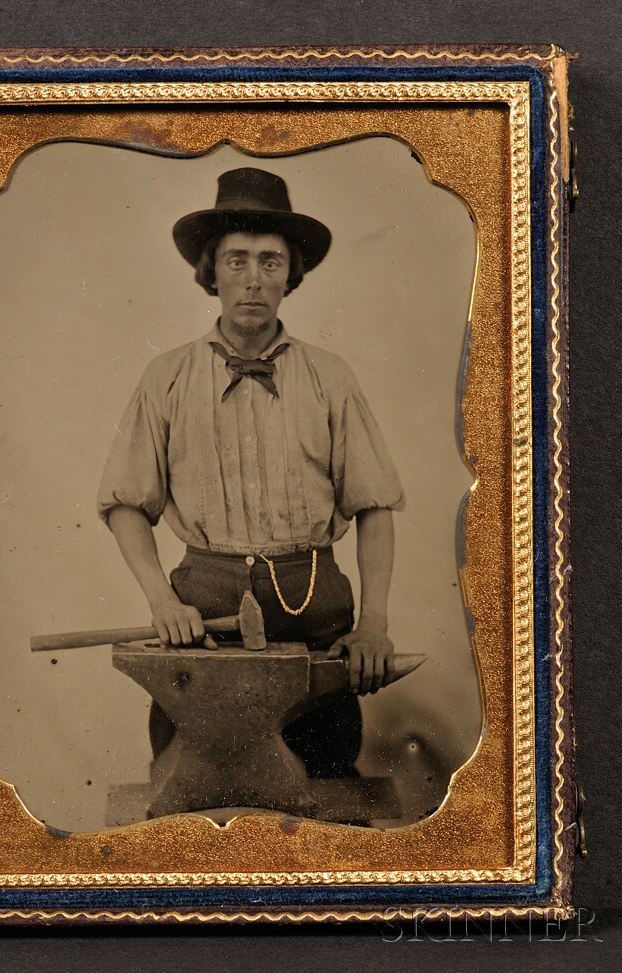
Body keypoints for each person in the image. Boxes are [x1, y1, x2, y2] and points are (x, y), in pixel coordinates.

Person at [97, 167, 404, 777]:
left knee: (326, 807)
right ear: (211, 272)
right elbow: (125, 503)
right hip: (202, 625)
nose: (253, 281)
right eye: (236, 261)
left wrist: (373, 624)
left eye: (271, 261)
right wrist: (163, 601)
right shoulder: (168, 378)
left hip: (316, 616)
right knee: (192, 800)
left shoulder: (330, 377)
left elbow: (374, 506)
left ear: (292, 273)